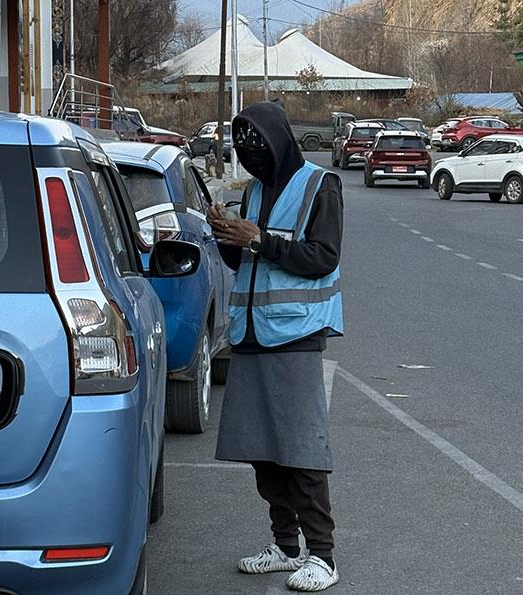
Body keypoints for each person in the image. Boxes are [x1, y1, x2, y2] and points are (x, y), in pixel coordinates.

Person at [207, 101, 344, 592]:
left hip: (295, 335)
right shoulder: (252, 191)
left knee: (301, 450)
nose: (251, 156)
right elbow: (243, 261)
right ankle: (285, 546)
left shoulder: (320, 185)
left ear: (280, 141)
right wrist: (227, 235)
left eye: (258, 146)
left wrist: (260, 239)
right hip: (250, 334)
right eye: (244, 148)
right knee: (261, 449)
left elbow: (323, 257)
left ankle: (323, 556)